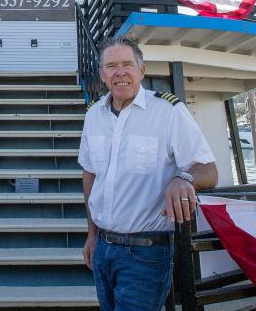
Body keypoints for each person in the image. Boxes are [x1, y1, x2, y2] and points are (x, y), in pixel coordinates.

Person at [79, 35, 218, 311]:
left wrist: (183, 178)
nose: (120, 72)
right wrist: (91, 235)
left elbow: (209, 170)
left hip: (145, 252)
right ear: (102, 74)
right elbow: (90, 176)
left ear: (141, 70)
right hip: (103, 248)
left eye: (127, 64)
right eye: (111, 66)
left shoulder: (168, 111)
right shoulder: (92, 114)